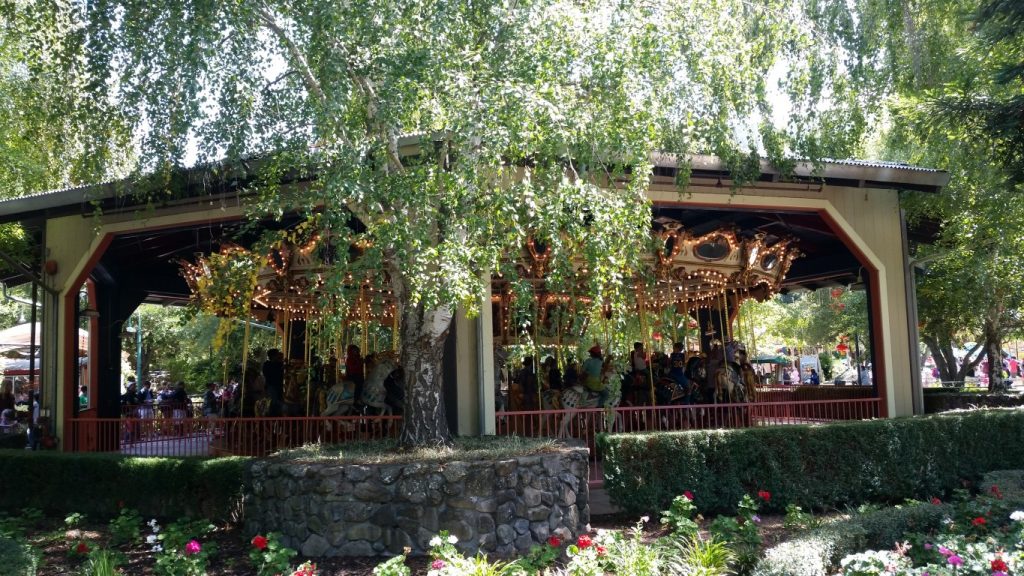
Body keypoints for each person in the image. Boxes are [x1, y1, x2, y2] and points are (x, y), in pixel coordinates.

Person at [263, 349, 285, 416]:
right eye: (277, 354)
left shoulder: (279, 364)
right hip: (271, 385)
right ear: (273, 356)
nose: (279, 355)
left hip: (279, 386)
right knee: (274, 401)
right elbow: (270, 375)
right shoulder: (267, 364)